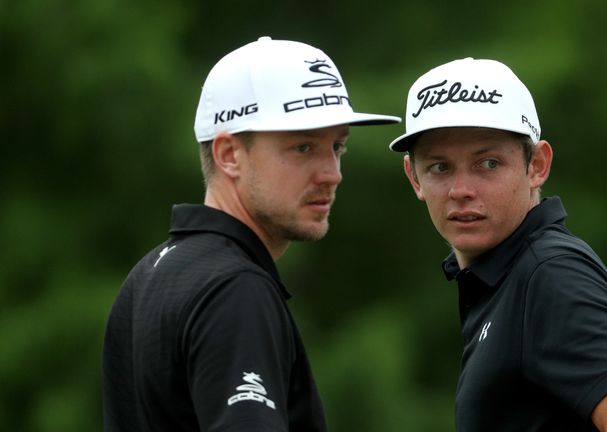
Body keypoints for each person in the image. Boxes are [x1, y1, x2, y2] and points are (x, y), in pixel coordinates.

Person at [101, 36, 400, 431]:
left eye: (337, 146)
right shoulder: (235, 289)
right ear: (229, 155)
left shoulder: (149, 274)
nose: (332, 173)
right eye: (303, 147)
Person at [389, 58, 607, 431]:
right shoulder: (505, 277)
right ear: (413, 177)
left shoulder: (551, 274)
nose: (460, 190)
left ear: (537, 165)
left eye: (489, 163)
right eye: (440, 167)